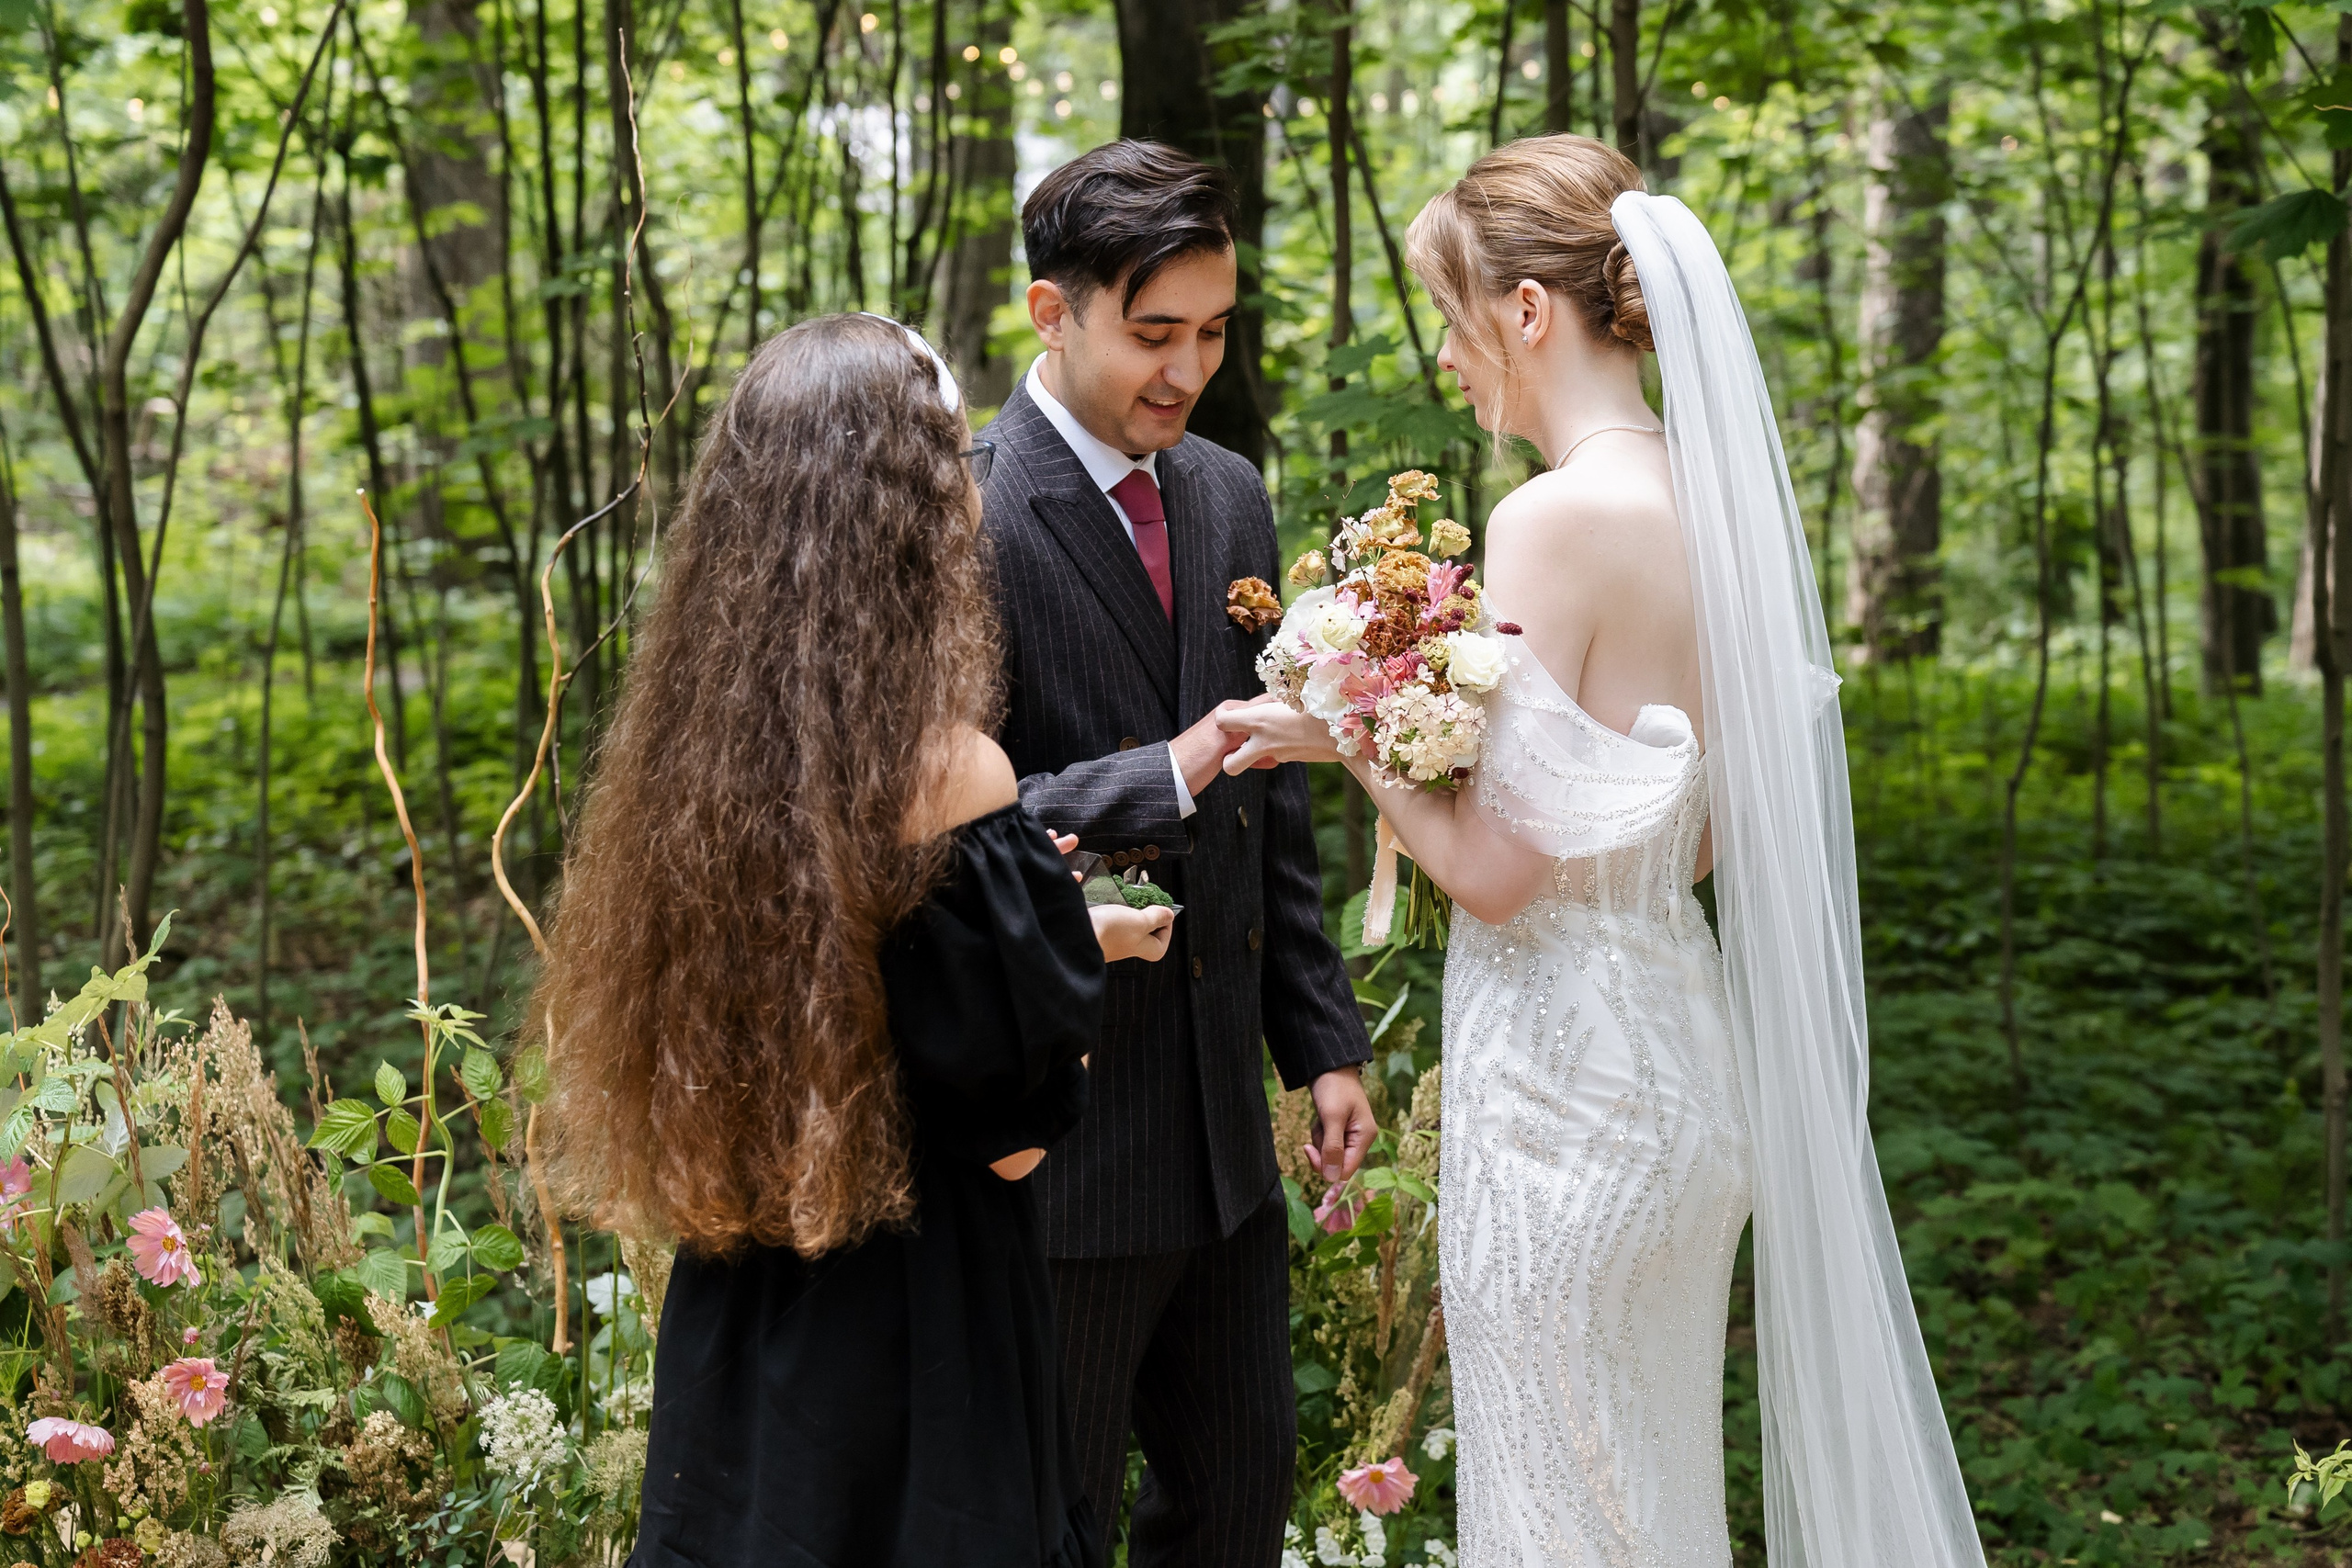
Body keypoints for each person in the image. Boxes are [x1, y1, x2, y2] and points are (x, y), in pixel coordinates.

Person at [1219, 136, 1987, 1567]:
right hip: (1683, 1078)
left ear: (1525, 310)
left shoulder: (1550, 519)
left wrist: (1344, 703)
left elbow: (1500, 873)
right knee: (1651, 1499)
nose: (1452, 363)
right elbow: (1670, 834)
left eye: (1453, 321)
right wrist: (1363, 737)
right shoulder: (1725, 512)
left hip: (1559, 1095)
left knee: (1562, 1512)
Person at [533, 312, 1178, 1568]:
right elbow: (1012, 1137)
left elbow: (848, 982)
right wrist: (1049, 964)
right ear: (924, 509)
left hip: (745, 1311)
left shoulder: (696, 756)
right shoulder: (951, 771)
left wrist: (1040, 935)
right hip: (922, 1337)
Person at [973, 140, 1374, 1566]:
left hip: (1226, 1153)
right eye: (1154, 334)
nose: (1186, 369)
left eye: (1212, 333)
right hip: (1058, 1147)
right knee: (1057, 1525)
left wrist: (1320, 1042)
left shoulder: (1227, 494)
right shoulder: (959, 516)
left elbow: (1272, 804)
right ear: (1050, 310)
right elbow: (953, 834)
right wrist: (1172, 767)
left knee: (1236, 1510)